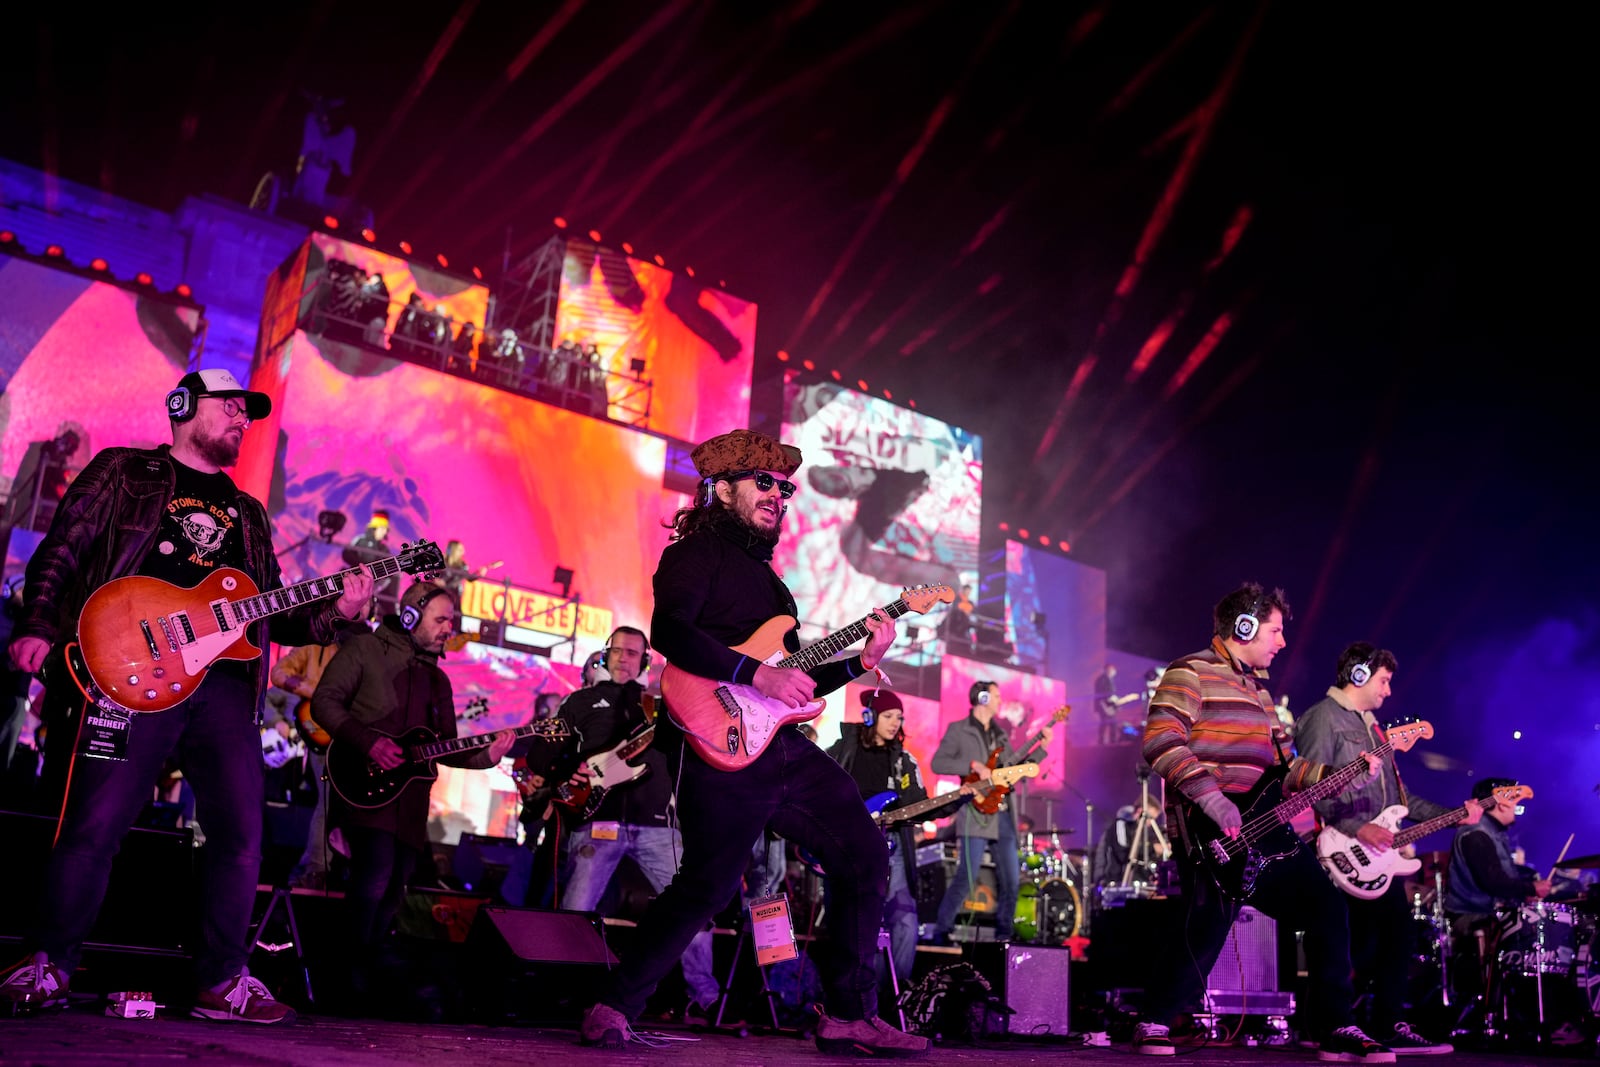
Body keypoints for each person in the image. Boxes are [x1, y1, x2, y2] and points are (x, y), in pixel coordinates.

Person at [0, 368, 374, 1022]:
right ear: (183, 406)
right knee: (93, 823)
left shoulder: (249, 514)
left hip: (224, 691)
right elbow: (65, 546)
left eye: (245, 412)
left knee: (241, 835)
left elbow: (272, 615)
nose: (240, 418)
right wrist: (37, 623)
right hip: (130, 667)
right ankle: (50, 962)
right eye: (229, 406)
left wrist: (335, 609)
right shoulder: (124, 471)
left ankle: (222, 981)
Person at [578, 428, 923, 1055]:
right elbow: (672, 633)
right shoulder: (695, 552)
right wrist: (755, 673)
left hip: (779, 744)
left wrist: (861, 662)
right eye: (764, 483)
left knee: (864, 854)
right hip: (721, 742)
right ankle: (611, 1005)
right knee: (707, 884)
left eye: (785, 488)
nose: (778, 496)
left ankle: (848, 1012)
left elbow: (797, 680)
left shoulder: (774, 584)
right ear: (723, 487)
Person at [1135, 583, 1393, 1062]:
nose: (1282, 641)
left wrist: (1341, 773)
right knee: (1209, 918)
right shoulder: (1189, 672)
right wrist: (1212, 799)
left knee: (1326, 907)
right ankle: (1155, 1018)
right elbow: (1160, 740)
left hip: (1265, 827)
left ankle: (1335, 1026)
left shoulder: (1259, 691)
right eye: (1274, 631)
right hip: (1208, 826)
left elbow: (1288, 768)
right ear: (1244, 627)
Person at [309, 580, 513, 1004]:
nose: (448, 628)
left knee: (395, 885)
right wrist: (368, 742)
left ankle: (361, 974)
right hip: (362, 784)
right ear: (410, 616)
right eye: (441, 619)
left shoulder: (439, 680)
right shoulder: (365, 650)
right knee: (374, 875)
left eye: (451, 621)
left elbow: (448, 747)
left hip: (411, 803)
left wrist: (487, 755)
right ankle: (342, 977)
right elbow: (325, 702)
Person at [1295, 642, 1481, 1055]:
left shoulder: (1373, 727)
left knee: (1394, 935)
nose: (1388, 690)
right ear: (1358, 675)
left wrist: (1455, 813)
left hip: (1375, 857)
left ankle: (1385, 1025)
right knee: (1351, 943)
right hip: (1342, 851)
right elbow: (1310, 787)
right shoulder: (1322, 719)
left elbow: (1402, 800)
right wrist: (1358, 828)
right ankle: (1328, 1026)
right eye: (1384, 680)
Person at [549, 626, 720, 1023]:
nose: (624, 658)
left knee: (694, 908)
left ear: (644, 660)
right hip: (597, 821)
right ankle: (564, 994)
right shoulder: (580, 702)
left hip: (657, 825)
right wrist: (566, 772)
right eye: (618, 651)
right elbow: (548, 755)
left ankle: (705, 999)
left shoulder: (659, 704)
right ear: (604, 655)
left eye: (633, 653)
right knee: (575, 911)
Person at [827, 688, 968, 992]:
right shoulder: (841, 751)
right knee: (852, 924)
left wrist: (960, 798)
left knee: (905, 921)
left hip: (892, 852)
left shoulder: (905, 761)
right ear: (870, 716)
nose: (895, 723)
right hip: (847, 849)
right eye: (889, 716)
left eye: (899, 717)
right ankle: (848, 998)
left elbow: (920, 806)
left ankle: (889, 997)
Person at [927, 680, 1050, 944]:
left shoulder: (1000, 735)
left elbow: (1011, 774)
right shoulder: (959, 730)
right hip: (975, 811)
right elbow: (938, 762)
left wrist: (1041, 750)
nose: (999, 701)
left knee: (1011, 881)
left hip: (1004, 814)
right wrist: (971, 764)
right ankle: (941, 932)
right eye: (996, 695)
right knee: (966, 877)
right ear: (982, 698)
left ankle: (1002, 937)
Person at [270, 638, 348, 889]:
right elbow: (279, 675)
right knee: (328, 802)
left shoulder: (363, 645)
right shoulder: (314, 645)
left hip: (346, 736)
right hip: (318, 733)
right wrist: (320, 694)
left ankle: (318, 867)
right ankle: (315, 868)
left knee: (337, 805)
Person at [343, 509, 399, 617]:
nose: (385, 532)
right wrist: (362, 566)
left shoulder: (384, 549)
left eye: (385, 530)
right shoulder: (359, 540)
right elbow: (346, 554)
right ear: (375, 528)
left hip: (372, 587)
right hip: (352, 581)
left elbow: (388, 572)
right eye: (382, 529)